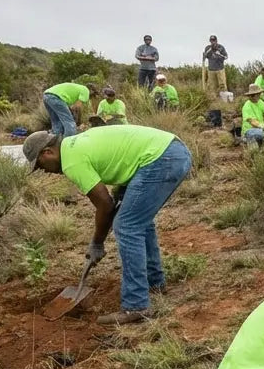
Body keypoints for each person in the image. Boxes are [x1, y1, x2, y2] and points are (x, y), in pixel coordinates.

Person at [23, 124, 193, 326]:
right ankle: (154, 283)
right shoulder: (75, 144)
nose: (45, 171)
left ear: (48, 152)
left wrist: (97, 243)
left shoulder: (71, 161)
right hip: (172, 151)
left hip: (161, 159)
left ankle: (136, 305)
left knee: (127, 226)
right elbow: (113, 189)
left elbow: (104, 204)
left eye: (41, 165)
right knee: (137, 221)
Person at [240, 83, 264, 149]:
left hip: (259, 129)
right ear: (251, 96)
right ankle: (253, 151)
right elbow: (252, 121)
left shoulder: (260, 102)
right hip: (249, 130)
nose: (258, 96)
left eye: (259, 94)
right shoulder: (247, 106)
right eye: (257, 94)